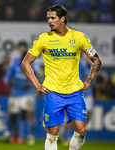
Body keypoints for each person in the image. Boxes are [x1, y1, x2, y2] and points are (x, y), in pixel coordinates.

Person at [21, 4, 102, 150]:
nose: (49, 21)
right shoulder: (43, 39)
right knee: (53, 133)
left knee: (81, 130)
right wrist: (37, 85)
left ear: (62, 19)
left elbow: (96, 60)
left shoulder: (79, 37)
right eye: (48, 18)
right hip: (53, 92)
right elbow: (26, 63)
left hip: (74, 92)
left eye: (53, 18)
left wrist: (88, 82)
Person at [2, 41, 40, 145]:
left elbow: (36, 78)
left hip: (27, 94)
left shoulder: (33, 66)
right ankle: (14, 132)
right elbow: (6, 77)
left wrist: (29, 83)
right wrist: (8, 82)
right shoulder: (14, 65)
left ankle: (24, 136)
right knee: (12, 115)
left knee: (25, 113)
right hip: (15, 93)